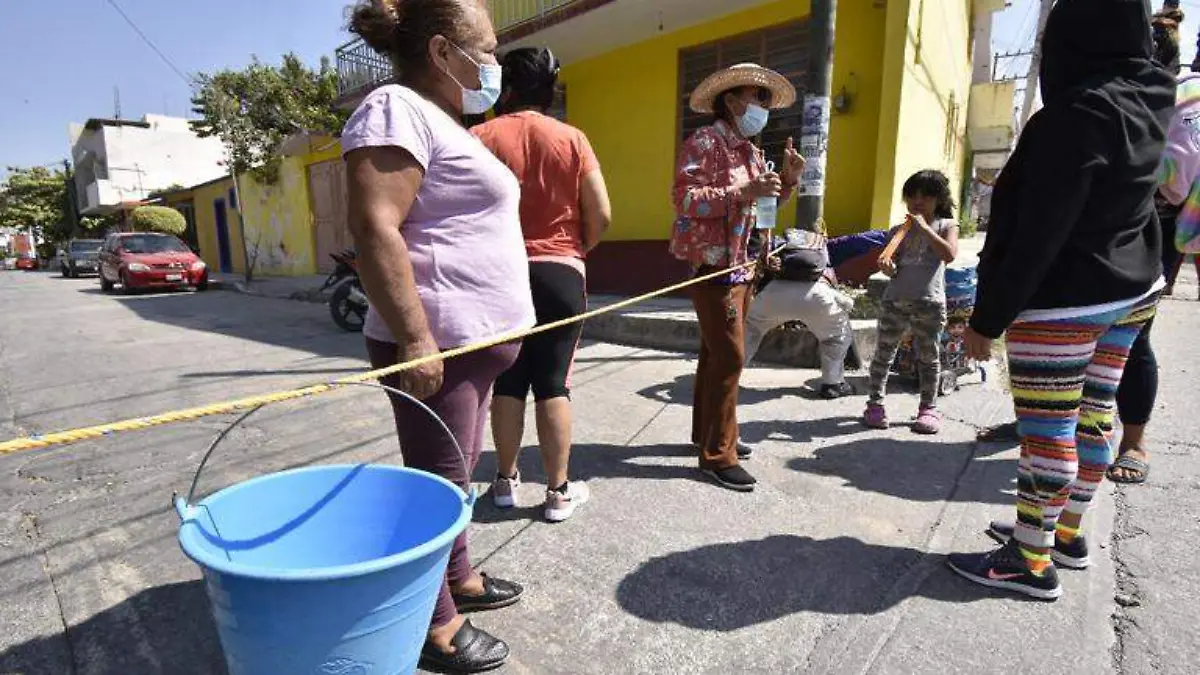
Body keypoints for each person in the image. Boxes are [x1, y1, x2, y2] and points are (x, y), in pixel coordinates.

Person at [949, 0, 1174, 601]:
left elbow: (1037, 232)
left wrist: (988, 317)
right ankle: (1065, 533)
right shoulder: (1149, 95)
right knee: (1096, 411)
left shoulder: (1075, 116)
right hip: (1133, 288)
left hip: (1065, 302)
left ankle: (1030, 560)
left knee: (1049, 433)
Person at [341, 0, 536, 670]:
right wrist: (416, 338)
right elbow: (374, 228)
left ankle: (460, 579)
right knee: (433, 490)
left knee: (454, 485)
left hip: (475, 348)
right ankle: (433, 626)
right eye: (484, 48)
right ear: (441, 52)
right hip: (439, 347)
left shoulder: (442, 121)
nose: (492, 62)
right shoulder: (394, 108)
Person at [472, 47, 613, 522]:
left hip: (500, 273)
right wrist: (575, 250)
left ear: (504, 86)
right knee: (554, 383)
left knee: (508, 381)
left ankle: (505, 481)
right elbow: (603, 214)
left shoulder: (478, 137)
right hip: (560, 271)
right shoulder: (573, 138)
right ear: (550, 88)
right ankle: (557, 493)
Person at [670, 63, 804, 492]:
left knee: (715, 355)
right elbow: (685, 199)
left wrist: (788, 181)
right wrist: (740, 192)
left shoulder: (748, 150)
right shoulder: (705, 141)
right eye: (756, 97)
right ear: (730, 100)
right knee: (729, 357)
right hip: (714, 266)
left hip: (742, 265)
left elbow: (763, 209)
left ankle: (709, 436)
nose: (762, 106)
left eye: (765, 100)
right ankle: (717, 455)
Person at [1109, 6, 1194, 485]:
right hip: (1104, 224)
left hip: (1155, 231)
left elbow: (1179, 184)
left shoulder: (1182, 104)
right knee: (1076, 329)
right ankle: (1054, 424)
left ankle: (1134, 440)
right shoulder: (1113, 93)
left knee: (1133, 333)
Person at [862, 170, 960, 435]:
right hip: (895, 300)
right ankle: (875, 405)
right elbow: (894, 267)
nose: (917, 201)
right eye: (912, 195)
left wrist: (925, 229)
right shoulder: (898, 231)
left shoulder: (946, 226)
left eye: (925, 195)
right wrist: (888, 267)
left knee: (928, 357)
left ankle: (928, 408)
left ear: (938, 199)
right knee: (884, 354)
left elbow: (949, 255)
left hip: (929, 302)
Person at [744, 228, 856, 399]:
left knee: (750, 329)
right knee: (835, 337)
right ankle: (833, 384)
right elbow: (859, 240)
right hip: (818, 295)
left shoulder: (778, 245)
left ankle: (727, 375)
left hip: (774, 294)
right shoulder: (828, 246)